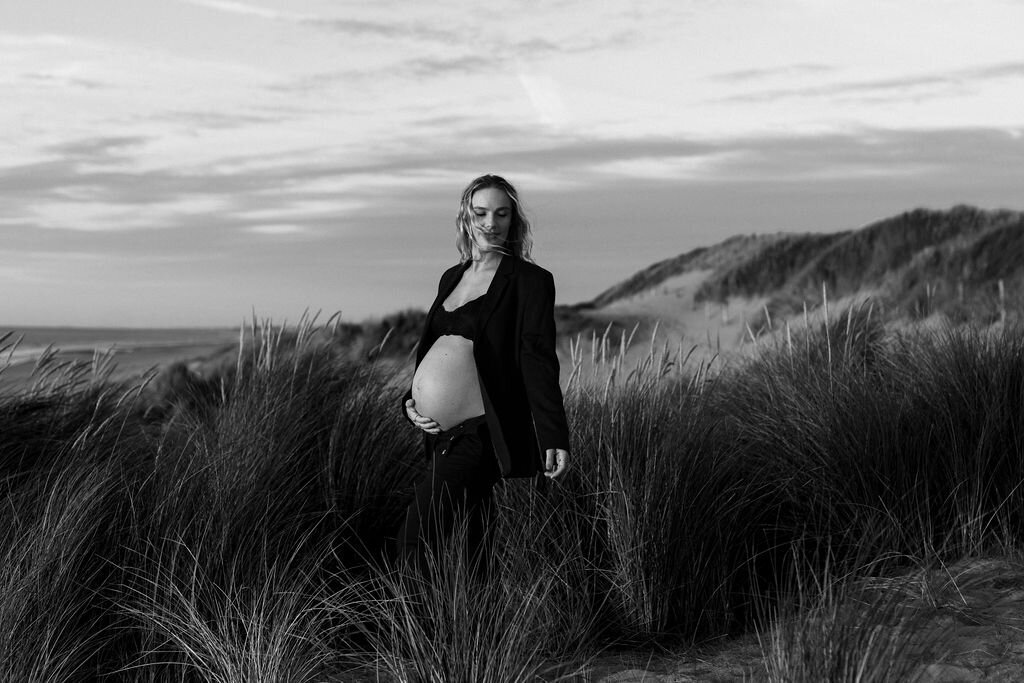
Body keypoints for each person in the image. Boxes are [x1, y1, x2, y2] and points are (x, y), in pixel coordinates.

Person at [397, 173, 570, 573]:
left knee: (415, 537)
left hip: (481, 432)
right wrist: (411, 402)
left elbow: (538, 360)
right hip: (438, 436)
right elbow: (432, 350)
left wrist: (553, 435)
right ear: (466, 217)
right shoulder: (451, 277)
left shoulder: (529, 281)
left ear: (513, 220)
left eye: (501, 214)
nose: (491, 223)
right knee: (473, 546)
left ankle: (410, 615)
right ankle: (474, 614)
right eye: (481, 213)